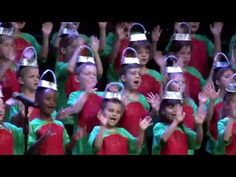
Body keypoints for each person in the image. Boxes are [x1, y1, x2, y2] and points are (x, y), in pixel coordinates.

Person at [88, 82, 153, 155]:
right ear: (102, 113)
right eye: (111, 110)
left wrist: (141, 131)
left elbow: (137, 148)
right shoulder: (96, 130)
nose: (114, 114)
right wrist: (103, 126)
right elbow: (97, 147)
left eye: (118, 112)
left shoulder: (123, 132)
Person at [152, 80, 206, 155]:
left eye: (178, 107)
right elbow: (162, 140)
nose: (175, 110)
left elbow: (197, 142)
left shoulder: (184, 129)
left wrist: (199, 126)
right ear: (163, 111)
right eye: (171, 107)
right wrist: (175, 122)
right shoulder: (159, 127)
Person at [27, 70, 71, 155]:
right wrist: (41, 139)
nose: (52, 102)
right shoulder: (33, 125)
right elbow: (29, 151)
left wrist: (74, 140)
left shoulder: (60, 125)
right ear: (37, 100)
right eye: (48, 99)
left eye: (54, 100)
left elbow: (66, 148)